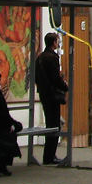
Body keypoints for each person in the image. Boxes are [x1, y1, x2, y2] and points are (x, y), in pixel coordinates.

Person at [34, 32, 69, 166]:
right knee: (54, 125)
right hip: (52, 95)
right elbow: (55, 77)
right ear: (54, 42)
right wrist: (65, 86)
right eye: (57, 41)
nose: (58, 43)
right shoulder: (52, 58)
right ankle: (49, 155)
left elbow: (37, 77)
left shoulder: (41, 57)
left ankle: (48, 155)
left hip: (44, 93)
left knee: (50, 123)